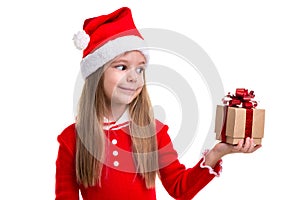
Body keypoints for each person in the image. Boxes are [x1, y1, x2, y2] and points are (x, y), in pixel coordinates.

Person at [55, 7, 261, 200]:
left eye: (140, 69)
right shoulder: (71, 139)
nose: (134, 77)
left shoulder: (153, 132)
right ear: (96, 74)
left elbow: (180, 188)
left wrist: (218, 152)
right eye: (121, 66)